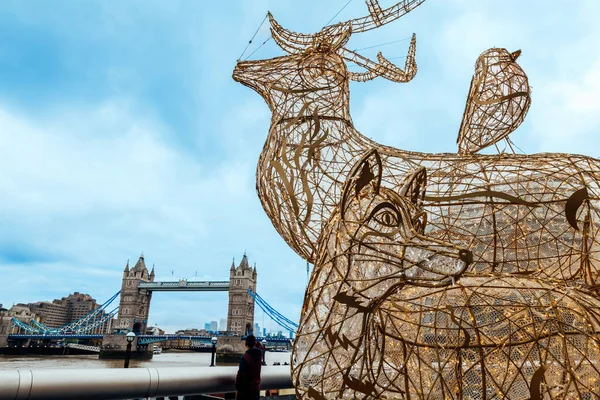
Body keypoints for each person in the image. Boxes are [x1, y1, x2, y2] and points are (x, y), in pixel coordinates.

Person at [235, 335, 262, 400]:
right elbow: (260, 347)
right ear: (255, 343)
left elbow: (241, 376)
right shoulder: (259, 356)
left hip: (245, 392)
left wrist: (237, 386)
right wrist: (256, 343)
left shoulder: (245, 358)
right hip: (256, 390)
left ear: (245, 344)